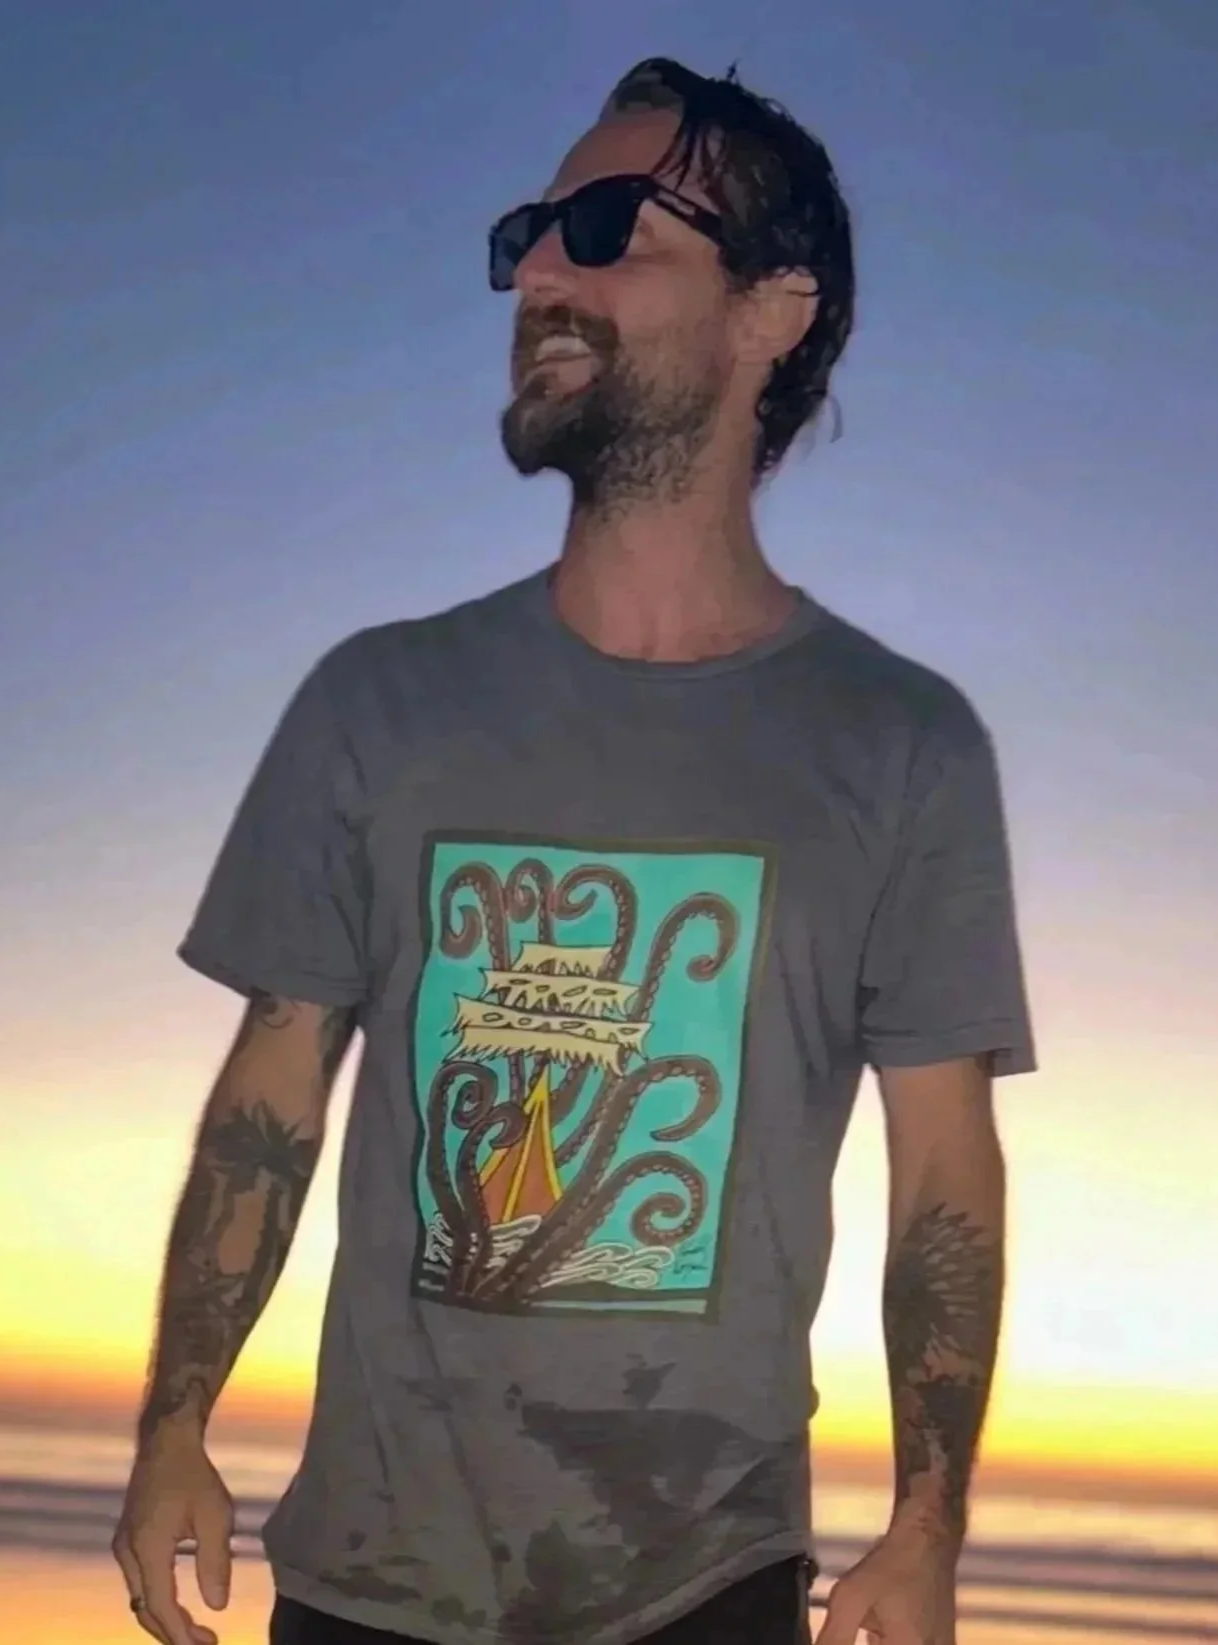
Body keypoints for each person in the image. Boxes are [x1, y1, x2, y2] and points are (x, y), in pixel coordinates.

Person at [113, 54, 1032, 1645]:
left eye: (607, 227)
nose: (541, 268)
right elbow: (271, 1094)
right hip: (364, 1586)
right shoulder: (378, 700)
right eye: (526, 233)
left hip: (704, 1587)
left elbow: (944, 1165)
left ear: (771, 313)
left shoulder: (902, 745)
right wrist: (172, 1427)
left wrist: (927, 1523)